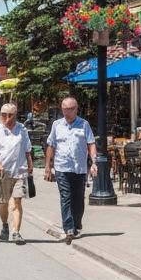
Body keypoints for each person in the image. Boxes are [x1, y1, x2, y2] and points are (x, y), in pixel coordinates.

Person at [44, 96, 96, 245]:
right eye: (65, 109)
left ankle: (77, 223)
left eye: (70, 109)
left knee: (78, 199)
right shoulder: (57, 125)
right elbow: (51, 145)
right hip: (62, 167)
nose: (67, 112)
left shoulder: (84, 125)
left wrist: (94, 161)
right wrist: (48, 166)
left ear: (76, 109)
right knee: (66, 197)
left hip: (79, 168)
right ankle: (68, 228)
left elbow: (91, 143)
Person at [0, 103, 32, 244]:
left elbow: (27, 150)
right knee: (4, 202)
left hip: (19, 171)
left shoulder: (22, 130)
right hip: (3, 171)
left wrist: (30, 165)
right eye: (3, 114)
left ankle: (16, 232)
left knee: (17, 200)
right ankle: (5, 225)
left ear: (15, 115)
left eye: (9, 115)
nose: (6, 118)